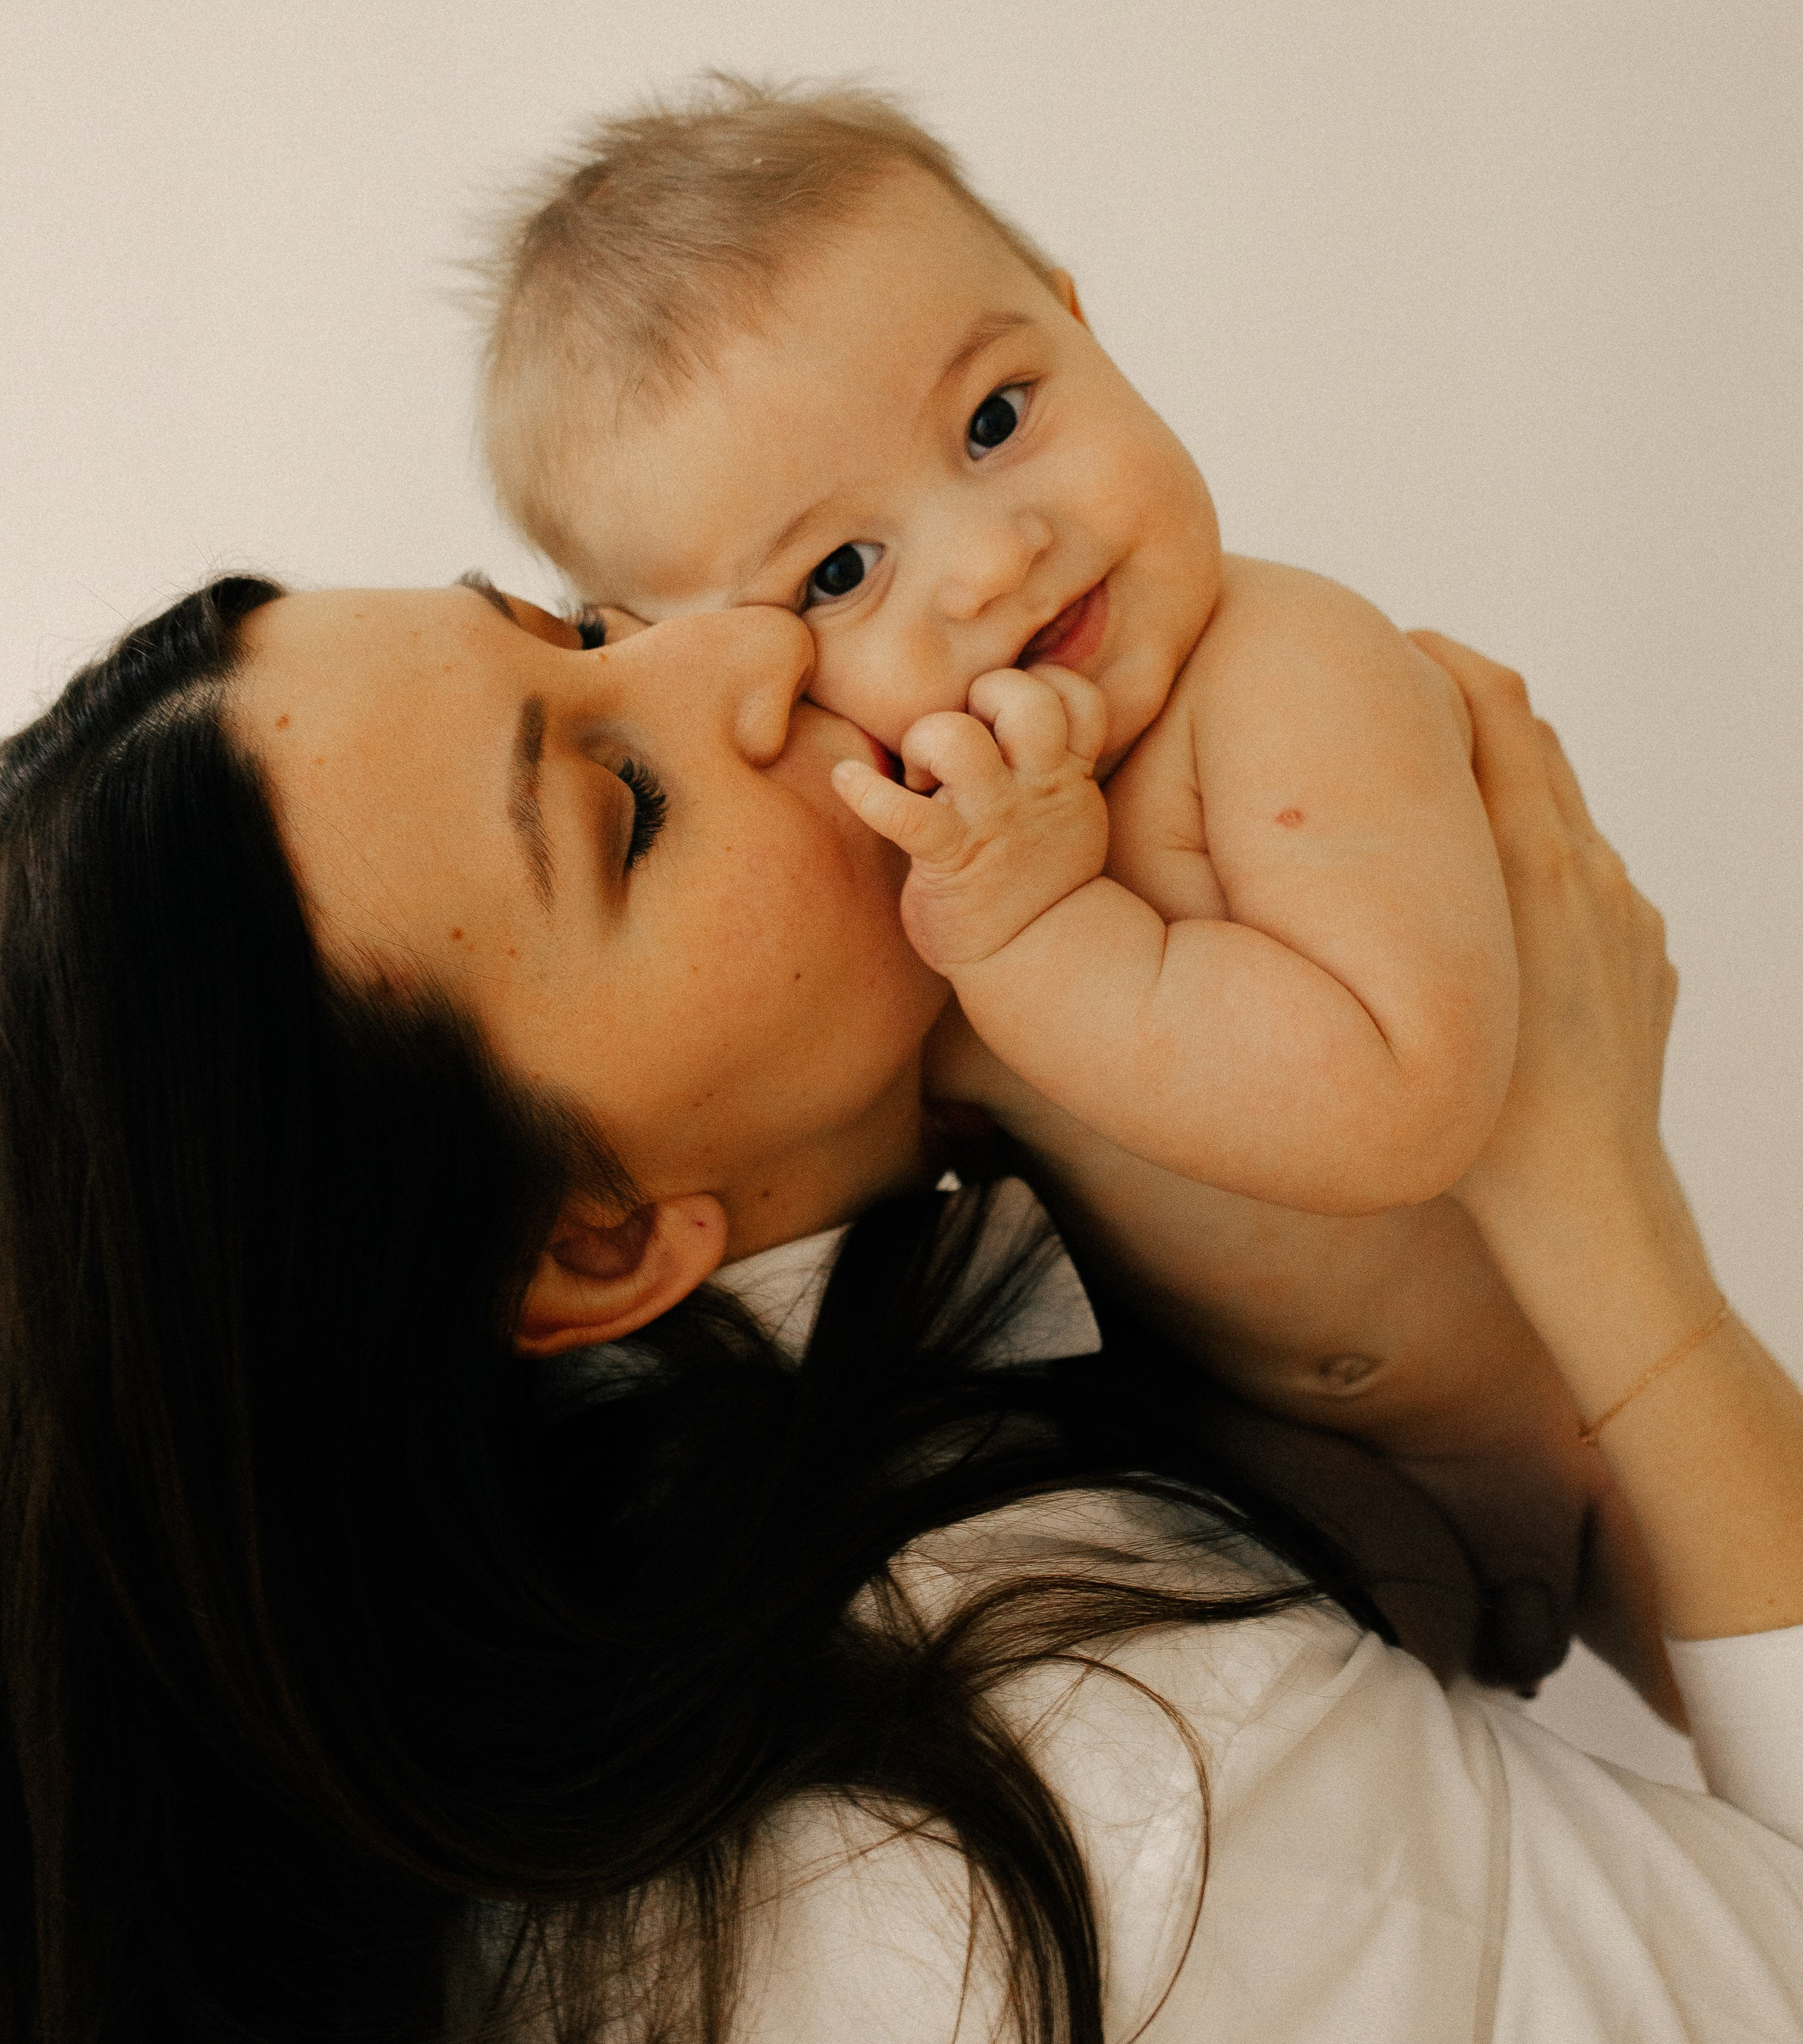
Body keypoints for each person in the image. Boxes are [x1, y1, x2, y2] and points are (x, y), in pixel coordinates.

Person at [0, 577, 1796, 2044]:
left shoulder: (658, 1695)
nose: (750, 640)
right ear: (602, 1240)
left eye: (575, 629)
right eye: (622, 805)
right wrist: (1593, 1207)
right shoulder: (1097, 1808)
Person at [478, 77, 1518, 1217]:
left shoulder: (1283, 671)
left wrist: (1038, 930)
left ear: (1081, 327)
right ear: (725, 666)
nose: (991, 563)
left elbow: (1402, 1107)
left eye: (995, 418)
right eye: (840, 573)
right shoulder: (926, 867)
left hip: (1549, 1401)